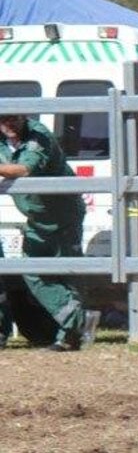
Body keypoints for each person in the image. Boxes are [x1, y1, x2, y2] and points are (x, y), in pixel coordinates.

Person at [0, 113, 90, 351]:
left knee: (65, 272)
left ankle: (71, 334)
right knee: (32, 270)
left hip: (62, 217)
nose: (8, 123)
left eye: (13, 118)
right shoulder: (2, 141)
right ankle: (75, 324)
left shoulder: (38, 134)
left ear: (24, 117)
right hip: (37, 218)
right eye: (3, 118)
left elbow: (25, 168)